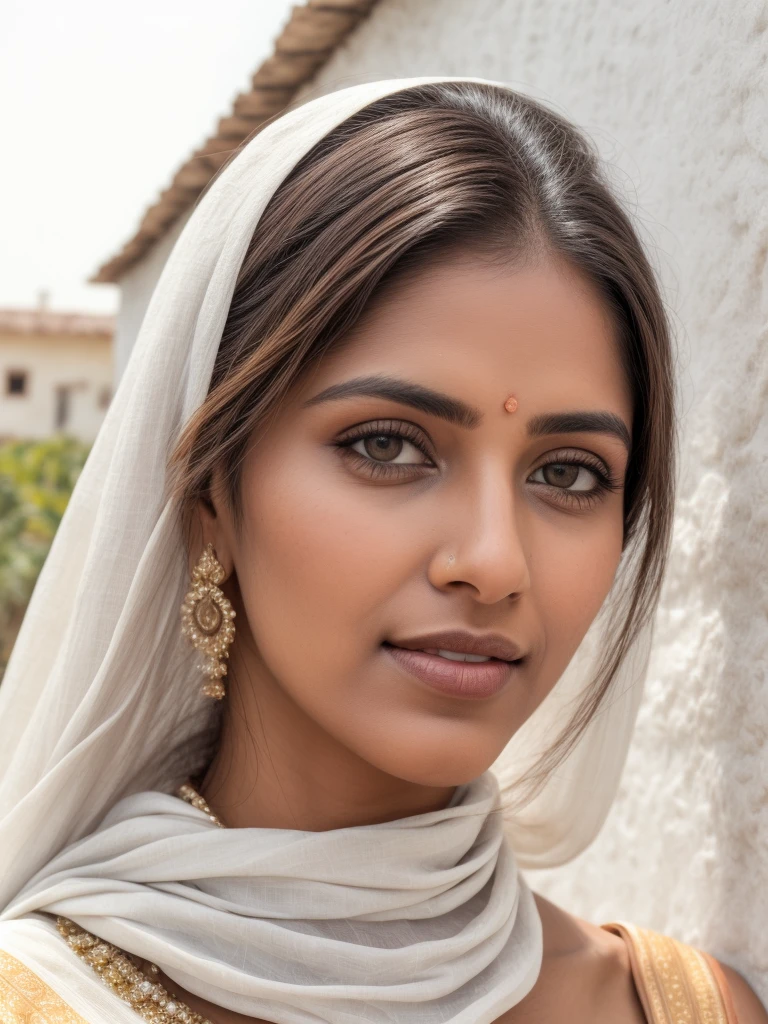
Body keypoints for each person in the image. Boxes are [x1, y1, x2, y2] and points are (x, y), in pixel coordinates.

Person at [0, 76, 763, 1024]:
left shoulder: (682, 1010)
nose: (493, 561)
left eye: (567, 473)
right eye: (386, 446)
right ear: (210, 501)